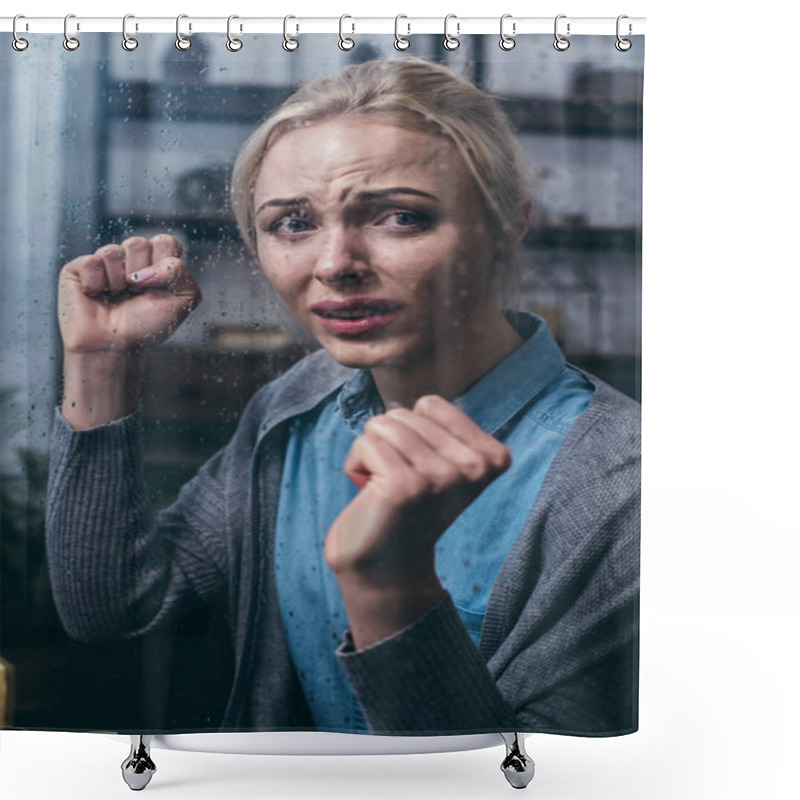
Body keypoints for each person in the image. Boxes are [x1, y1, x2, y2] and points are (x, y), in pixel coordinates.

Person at [46, 58, 640, 737]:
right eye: (293, 223)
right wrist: (100, 363)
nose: (335, 265)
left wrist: (393, 591)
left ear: (508, 222)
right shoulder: (296, 408)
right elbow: (117, 608)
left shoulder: (621, 485)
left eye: (399, 217)